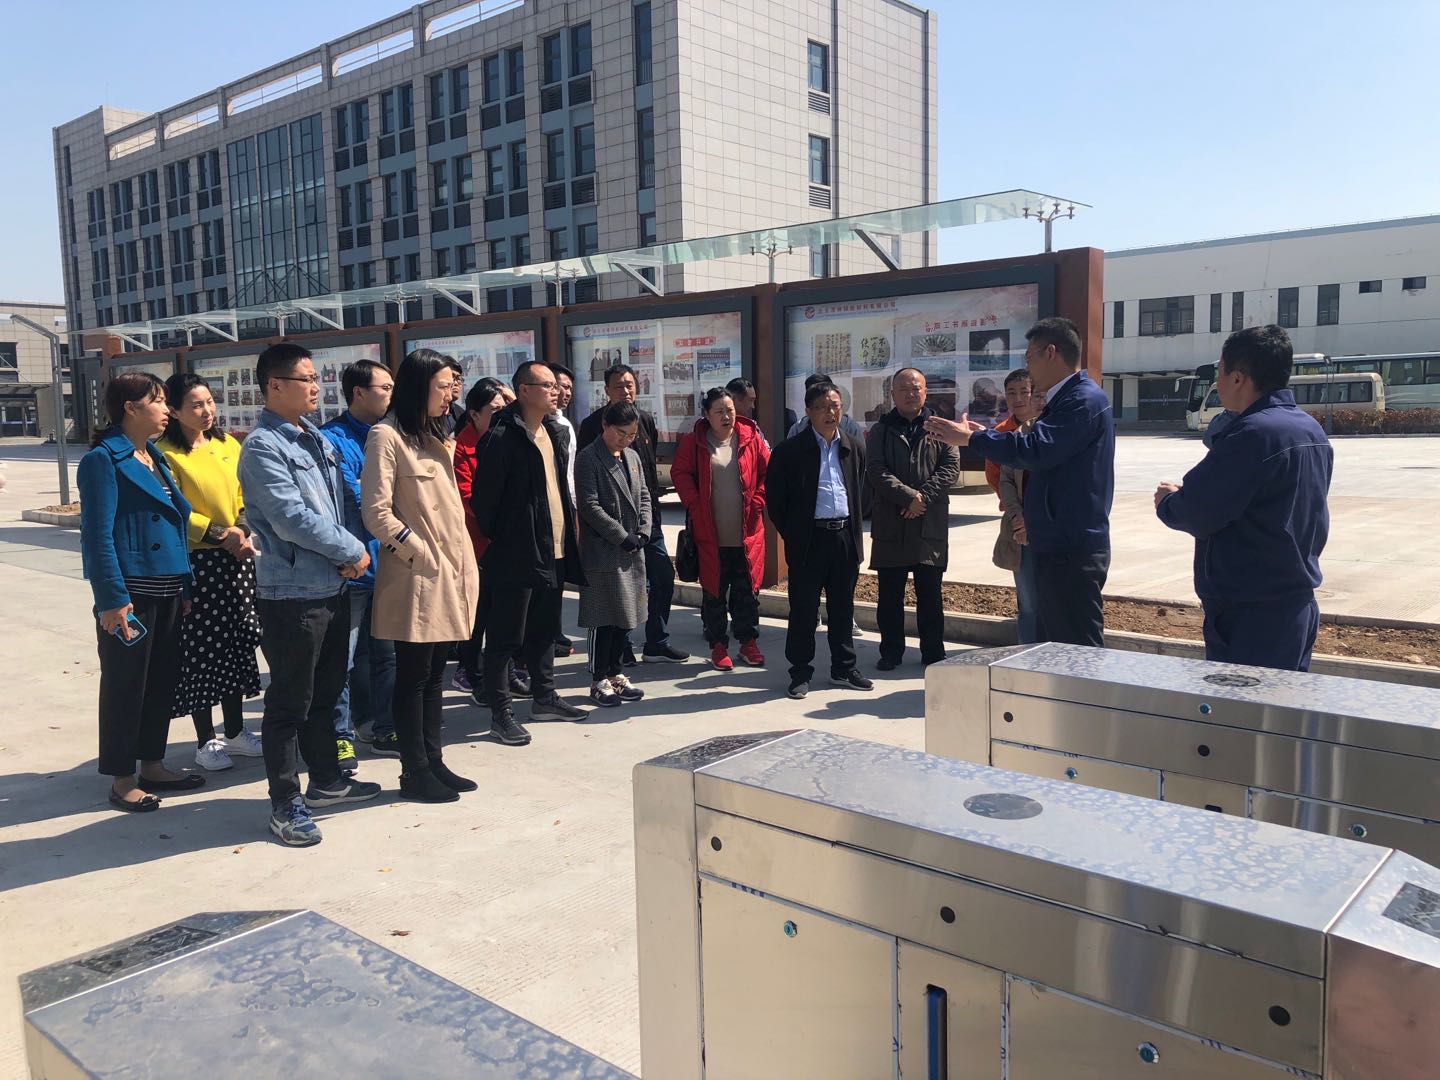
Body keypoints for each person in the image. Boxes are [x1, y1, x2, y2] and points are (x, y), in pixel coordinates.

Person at [238, 343, 380, 847]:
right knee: (289, 703)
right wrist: (352, 550)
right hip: (291, 594)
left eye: (317, 378)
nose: (317, 387)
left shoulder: (314, 437)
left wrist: (352, 552)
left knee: (326, 691)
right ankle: (285, 803)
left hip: (333, 583)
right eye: (307, 379)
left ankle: (326, 782)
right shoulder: (262, 447)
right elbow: (290, 518)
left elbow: (339, 505)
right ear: (275, 385)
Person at [925, 317, 1114, 648]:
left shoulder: (1082, 400)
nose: (1027, 366)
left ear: (1050, 353)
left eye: (1029, 357)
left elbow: (1036, 449)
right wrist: (985, 437)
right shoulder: (1067, 400)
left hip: (1071, 549)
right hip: (1056, 544)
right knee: (1053, 648)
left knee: (1077, 654)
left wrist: (971, 439)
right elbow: (1032, 446)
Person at [1155, 325, 1333, 671]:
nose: (1218, 383)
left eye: (1219, 374)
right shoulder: (1310, 429)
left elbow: (1197, 511)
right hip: (1294, 605)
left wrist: (1168, 501)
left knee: (1244, 704)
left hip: (1251, 616)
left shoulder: (1253, 435)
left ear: (1237, 378)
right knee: (1283, 702)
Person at [78, 370, 204, 813]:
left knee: (160, 683)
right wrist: (111, 599)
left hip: (168, 588)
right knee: (125, 686)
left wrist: (184, 584)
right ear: (130, 408)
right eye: (158, 401)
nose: (167, 409)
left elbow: (174, 525)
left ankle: (153, 764)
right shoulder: (103, 460)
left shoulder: (153, 456)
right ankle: (122, 778)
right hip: (131, 594)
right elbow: (97, 536)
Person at [362, 349, 480, 801]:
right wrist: (420, 554)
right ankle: (413, 772)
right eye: (444, 385)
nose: (451, 394)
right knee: (412, 676)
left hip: (449, 571)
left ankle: (434, 760)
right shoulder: (386, 436)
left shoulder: (433, 435)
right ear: (420, 385)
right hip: (417, 576)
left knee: (433, 675)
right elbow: (377, 513)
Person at [473, 360, 589, 744]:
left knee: (544, 631)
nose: (556, 391)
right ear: (524, 390)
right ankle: (501, 713)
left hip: (554, 548)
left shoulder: (553, 432)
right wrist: (512, 538)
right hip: (515, 554)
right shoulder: (501, 437)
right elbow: (485, 504)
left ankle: (544, 697)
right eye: (547, 386)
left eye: (557, 385)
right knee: (505, 637)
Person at [158, 372, 264, 772]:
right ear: (174, 411)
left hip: (236, 558)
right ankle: (206, 740)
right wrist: (221, 535)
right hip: (199, 560)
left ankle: (235, 730)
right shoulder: (165, 453)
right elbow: (175, 510)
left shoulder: (227, 444)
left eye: (209, 402)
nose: (206, 411)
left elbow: (244, 493)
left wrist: (242, 529)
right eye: (196, 405)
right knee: (202, 650)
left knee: (238, 642)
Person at [766, 382, 873, 699]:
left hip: (844, 538)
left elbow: (861, 490)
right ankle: (800, 671)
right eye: (823, 407)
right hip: (808, 541)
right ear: (808, 412)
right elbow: (776, 502)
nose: (831, 413)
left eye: (836, 406)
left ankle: (844, 668)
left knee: (843, 607)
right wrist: (794, 535)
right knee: (803, 610)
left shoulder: (853, 447)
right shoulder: (789, 451)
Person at [577, 363, 688, 664]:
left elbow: (646, 480)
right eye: (619, 386)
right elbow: (589, 494)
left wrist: (646, 524)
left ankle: (657, 641)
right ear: (606, 390)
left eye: (630, 385)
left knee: (662, 577)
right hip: (611, 532)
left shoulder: (645, 420)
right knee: (618, 591)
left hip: (646, 523)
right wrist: (619, 533)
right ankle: (619, 650)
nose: (626, 390)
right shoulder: (592, 426)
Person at [321, 359, 399, 764]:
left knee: (385, 654)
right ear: (358, 393)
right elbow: (350, 501)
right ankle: (340, 734)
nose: (391, 394)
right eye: (384, 388)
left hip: (387, 565)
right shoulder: (332, 440)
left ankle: (383, 726)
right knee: (344, 659)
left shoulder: (389, 435)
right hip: (351, 567)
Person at [866, 367, 959, 669]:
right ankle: (891, 652)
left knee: (930, 595)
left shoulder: (941, 428)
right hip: (891, 523)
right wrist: (909, 497)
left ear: (925, 392)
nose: (910, 394)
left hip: (928, 524)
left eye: (916, 388)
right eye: (903, 389)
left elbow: (950, 468)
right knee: (890, 596)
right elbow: (876, 470)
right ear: (892, 394)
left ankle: (933, 652)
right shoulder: (881, 430)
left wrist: (922, 499)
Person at [672, 388, 770, 671]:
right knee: (714, 593)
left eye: (730, 410)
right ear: (707, 415)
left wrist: (759, 500)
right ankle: (718, 646)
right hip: (710, 534)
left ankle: (748, 643)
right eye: (719, 412)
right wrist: (694, 502)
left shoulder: (750, 438)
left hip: (746, 533)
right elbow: (680, 473)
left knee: (746, 593)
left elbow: (768, 472)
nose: (727, 416)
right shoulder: (695, 441)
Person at [452, 377, 529, 699]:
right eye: (495, 410)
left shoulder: (507, 439)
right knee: (479, 614)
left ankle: (507, 673)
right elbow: (467, 499)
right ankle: (472, 674)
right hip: (478, 544)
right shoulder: (460, 447)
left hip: (507, 541)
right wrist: (500, 523)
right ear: (473, 414)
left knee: (507, 616)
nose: (503, 415)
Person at [575, 401, 652, 706]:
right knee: (603, 618)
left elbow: (644, 494)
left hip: (631, 549)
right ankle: (598, 679)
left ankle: (617, 674)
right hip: (604, 550)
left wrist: (644, 530)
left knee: (625, 617)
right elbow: (590, 506)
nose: (626, 440)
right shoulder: (588, 458)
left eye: (631, 435)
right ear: (605, 426)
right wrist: (622, 536)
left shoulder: (632, 456)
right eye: (621, 433)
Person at [984, 369, 1041, 644]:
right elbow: (998, 479)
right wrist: (1016, 513)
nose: (1018, 399)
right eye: (1011, 393)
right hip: (1018, 525)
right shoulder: (1003, 434)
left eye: (1024, 392)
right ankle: (1027, 652)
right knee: (1027, 601)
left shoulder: (1051, 431)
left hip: (1049, 526)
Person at [550, 363, 579, 658]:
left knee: (559, 576)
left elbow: (570, 472)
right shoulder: (540, 425)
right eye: (560, 386)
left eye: (569, 387)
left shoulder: (566, 424)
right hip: (547, 509)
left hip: (567, 506)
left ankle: (554, 632)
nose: (565, 392)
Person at [726, 377, 772, 449]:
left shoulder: (753, 428)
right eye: (750, 400)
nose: (753, 406)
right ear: (734, 400)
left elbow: (766, 452)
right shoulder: (718, 427)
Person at [444, 357, 466, 434]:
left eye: (459, 379)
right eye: (452, 377)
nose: (456, 383)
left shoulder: (461, 414)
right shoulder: (428, 414)